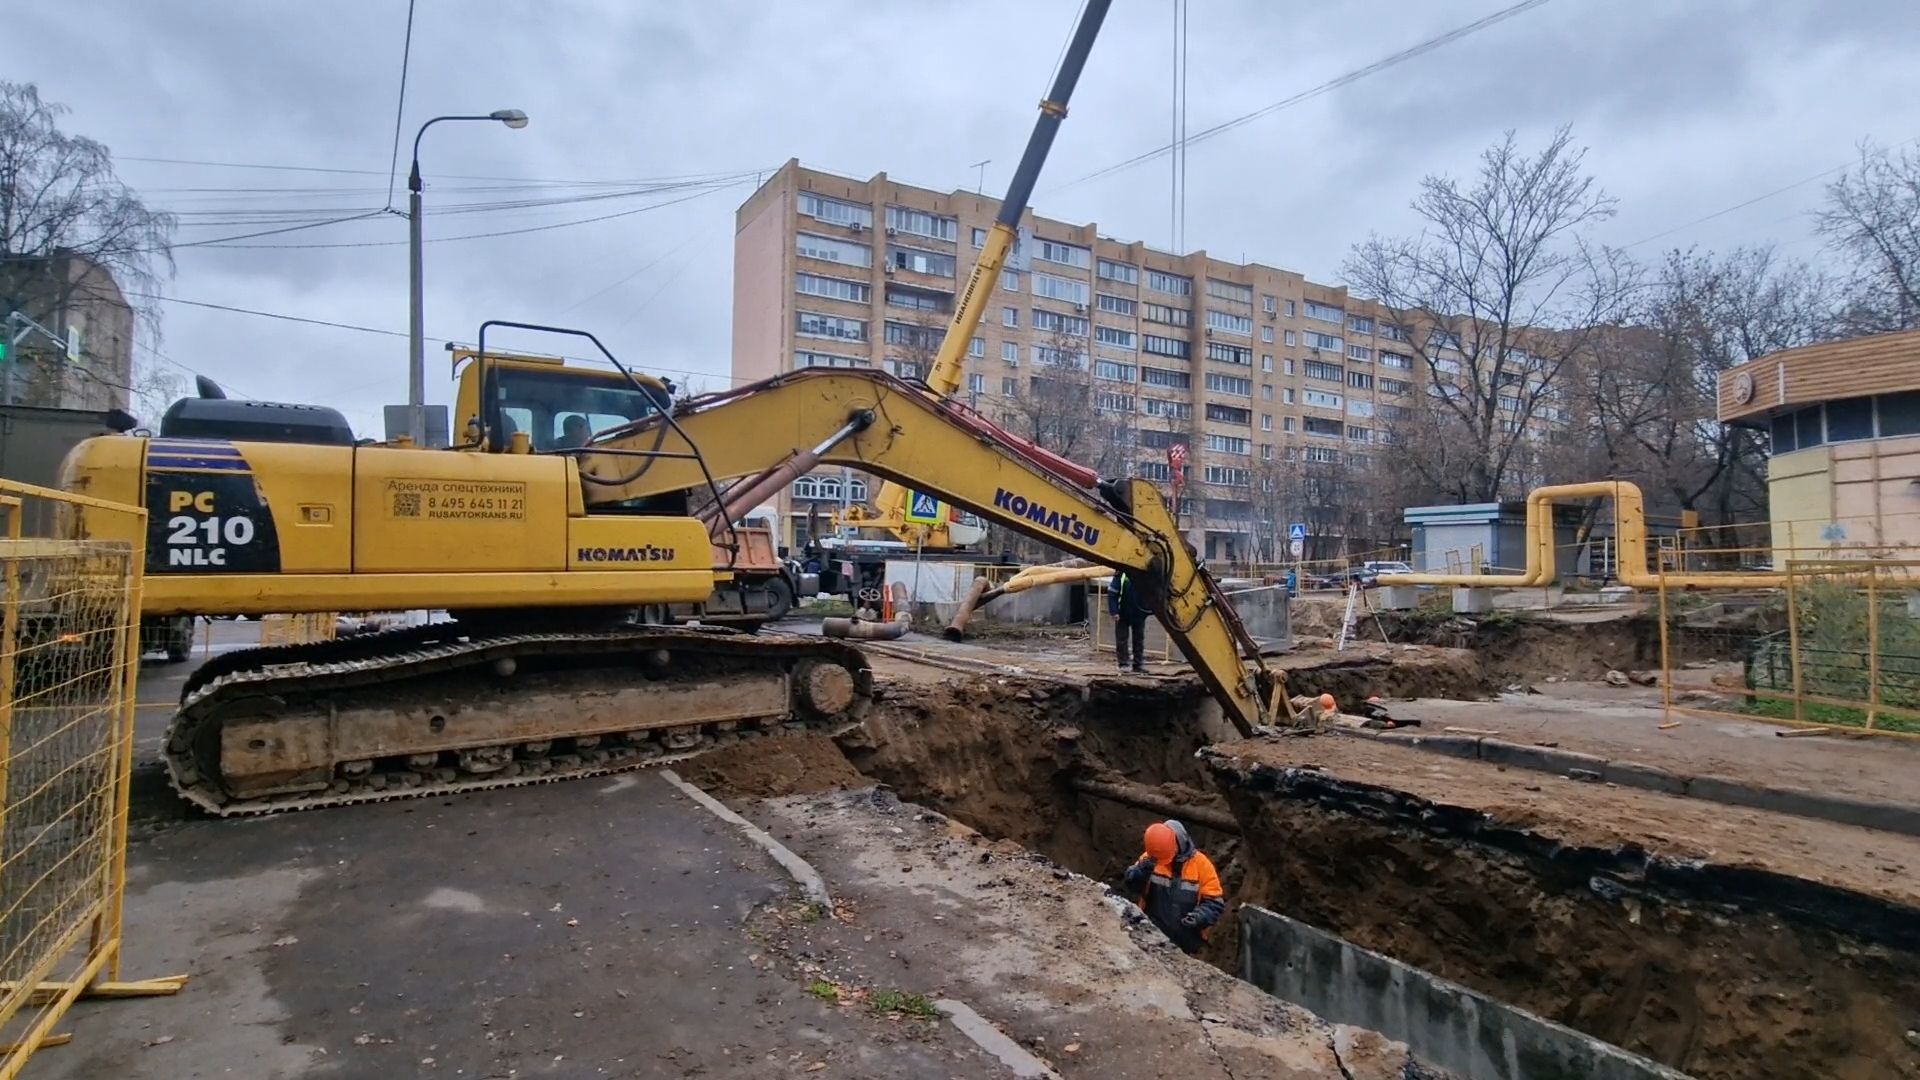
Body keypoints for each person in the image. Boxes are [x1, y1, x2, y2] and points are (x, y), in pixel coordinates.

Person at [1123, 820, 1225, 955]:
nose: (1162, 861)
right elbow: (1132, 886)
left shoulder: (1202, 865)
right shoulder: (1151, 857)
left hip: (1187, 942)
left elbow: (1214, 903)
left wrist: (1199, 917)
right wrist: (1140, 872)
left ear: (1177, 846)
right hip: (1151, 937)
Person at [1108, 570, 1150, 673]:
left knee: (1139, 640)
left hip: (1138, 612)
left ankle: (1138, 664)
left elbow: (1150, 594)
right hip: (1123, 613)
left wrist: (1147, 611)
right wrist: (1114, 611)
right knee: (1122, 639)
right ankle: (1123, 663)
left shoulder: (1143, 575)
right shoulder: (1121, 575)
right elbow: (1113, 593)